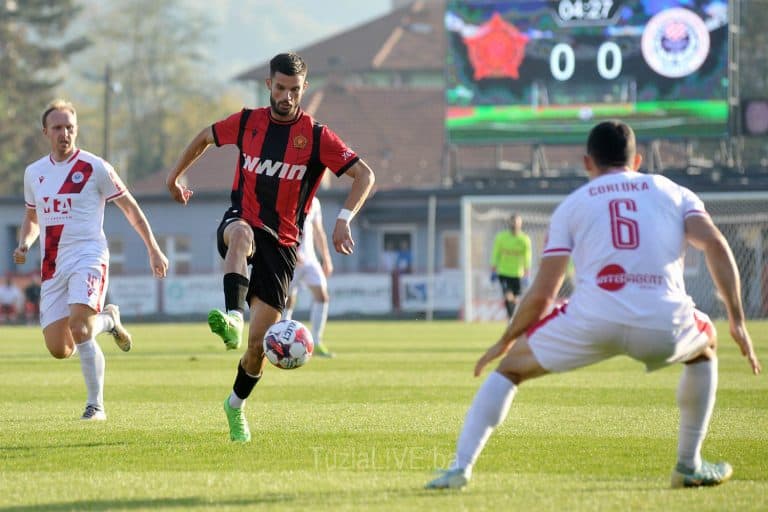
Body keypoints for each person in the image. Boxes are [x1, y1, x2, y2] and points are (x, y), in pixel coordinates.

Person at [425, 120, 761, 490]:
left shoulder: (573, 205)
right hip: (663, 321)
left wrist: (506, 340)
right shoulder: (673, 191)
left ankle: (461, 468)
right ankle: (688, 464)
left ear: (588, 162)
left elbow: (543, 293)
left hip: (592, 318)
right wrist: (737, 320)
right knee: (706, 346)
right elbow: (715, 244)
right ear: (637, 160)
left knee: (510, 370)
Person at [166, 52, 375, 442]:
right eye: (280, 88)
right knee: (241, 235)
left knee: (258, 348)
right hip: (242, 219)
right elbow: (204, 137)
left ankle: (234, 406)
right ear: (268, 85)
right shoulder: (247, 122)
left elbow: (364, 176)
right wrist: (175, 176)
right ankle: (231, 315)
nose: (287, 96)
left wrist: (342, 219)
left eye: (294, 90)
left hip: (283, 244)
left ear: (303, 89)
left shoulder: (316, 136)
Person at [13, 99, 168, 421]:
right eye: (57, 128)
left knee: (80, 327)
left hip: (89, 256)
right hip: (53, 264)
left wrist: (153, 248)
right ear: (46, 132)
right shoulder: (34, 173)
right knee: (60, 349)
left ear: (76, 130)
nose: (64, 133)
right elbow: (32, 217)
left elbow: (130, 208)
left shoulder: (95, 167)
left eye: (70, 127)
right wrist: (25, 243)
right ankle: (109, 320)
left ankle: (95, 406)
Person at [282, 196, 335, 358]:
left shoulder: (314, 202)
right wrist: (292, 249)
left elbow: (318, 231)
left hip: (310, 259)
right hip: (291, 257)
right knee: (288, 299)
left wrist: (326, 258)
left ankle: (317, 342)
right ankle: (281, 340)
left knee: (323, 296)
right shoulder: (288, 196)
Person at [490, 213, 531, 319]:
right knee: (508, 296)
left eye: (518, 222)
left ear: (521, 224)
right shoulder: (501, 237)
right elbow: (496, 253)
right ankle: (511, 319)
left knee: (515, 298)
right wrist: (493, 268)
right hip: (504, 272)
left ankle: (513, 318)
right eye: (513, 222)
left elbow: (527, 257)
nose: (515, 225)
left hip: (517, 273)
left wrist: (527, 273)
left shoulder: (524, 239)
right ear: (510, 223)